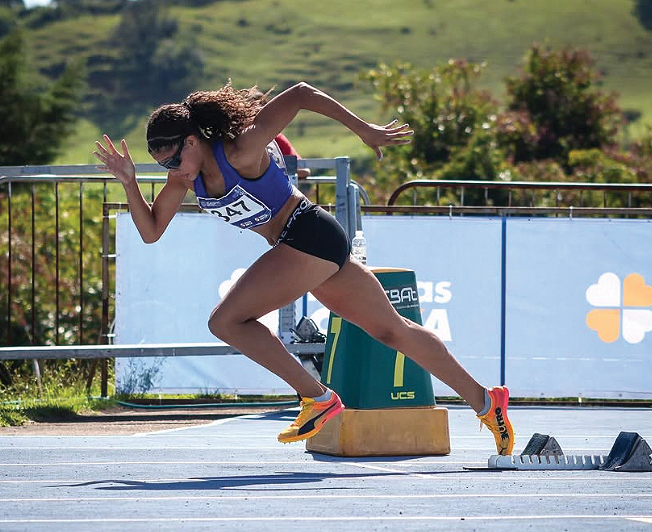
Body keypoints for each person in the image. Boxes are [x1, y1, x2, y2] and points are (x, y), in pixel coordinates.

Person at [94, 81, 514, 455]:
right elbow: (150, 231)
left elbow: (299, 94)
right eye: (163, 167)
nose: (172, 172)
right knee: (392, 330)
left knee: (226, 321)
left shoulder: (240, 149)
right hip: (307, 247)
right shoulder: (184, 181)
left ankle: (317, 397)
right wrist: (130, 182)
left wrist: (364, 129)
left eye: (172, 162)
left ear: (191, 141)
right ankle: (486, 402)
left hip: (308, 232)